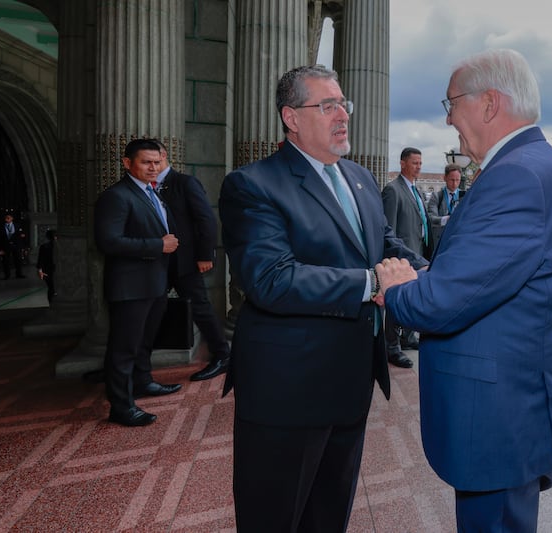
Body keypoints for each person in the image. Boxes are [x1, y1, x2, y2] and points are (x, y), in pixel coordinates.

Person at [374, 48, 552, 532]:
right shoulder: (534, 164)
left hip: (497, 416)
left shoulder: (516, 175)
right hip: (512, 403)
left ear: (489, 103)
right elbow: (488, 277)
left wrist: (398, 286)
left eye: (451, 103)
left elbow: (442, 304)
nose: (448, 117)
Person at [218, 65, 427, 533]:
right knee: (274, 517)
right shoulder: (253, 185)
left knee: (329, 514)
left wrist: (431, 275)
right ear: (291, 117)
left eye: (343, 104)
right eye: (327, 106)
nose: (342, 115)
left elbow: (386, 244)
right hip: (287, 391)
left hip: (351, 383)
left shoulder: (358, 177)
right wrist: (372, 283)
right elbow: (271, 278)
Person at [94, 139, 182, 427]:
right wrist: (157, 245)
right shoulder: (117, 196)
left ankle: (143, 381)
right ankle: (120, 406)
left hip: (153, 282)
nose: (153, 167)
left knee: (145, 341)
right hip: (130, 286)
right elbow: (108, 241)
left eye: (157, 162)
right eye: (146, 162)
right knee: (123, 348)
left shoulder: (150, 192)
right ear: (127, 163)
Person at [151, 140, 230, 381]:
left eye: (154, 159)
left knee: (200, 308)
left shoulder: (185, 182)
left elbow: (205, 220)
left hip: (185, 262)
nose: (151, 166)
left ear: (164, 155)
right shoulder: (145, 186)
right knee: (145, 310)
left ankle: (222, 355)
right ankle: (129, 364)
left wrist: (205, 255)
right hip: (156, 261)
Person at [381, 147, 431, 367]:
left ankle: (408, 337)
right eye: (414, 163)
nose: (418, 167)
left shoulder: (415, 189)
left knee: (412, 296)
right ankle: (391, 346)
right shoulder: (393, 190)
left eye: (420, 163)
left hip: (417, 251)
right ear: (402, 164)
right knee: (395, 298)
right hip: (400, 257)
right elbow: (388, 228)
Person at [426, 163, 462, 248]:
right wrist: (447, 219)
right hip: (440, 242)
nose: (455, 184)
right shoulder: (437, 196)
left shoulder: (464, 197)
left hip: (457, 241)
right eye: (452, 180)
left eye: (457, 180)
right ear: (445, 178)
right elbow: (431, 218)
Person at [0, 214, 26, 279]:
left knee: (18, 260)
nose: (7, 218)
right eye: (6, 217)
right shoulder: (0, 226)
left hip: (16, 245)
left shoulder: (17, 225)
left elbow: (22, 234)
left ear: (12, 218)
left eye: (9, 217)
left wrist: (23, 245)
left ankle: (19, 274)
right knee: (5, 261)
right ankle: (7, 275)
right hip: (5, 246)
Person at [36, 229, 57, 303]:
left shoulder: (44, 246)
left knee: (51, 288)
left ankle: (51, 304)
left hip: (48, 271)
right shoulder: (61, 246)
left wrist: (40, 271)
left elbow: (40, 261)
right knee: (54, 289)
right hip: (56, 270)